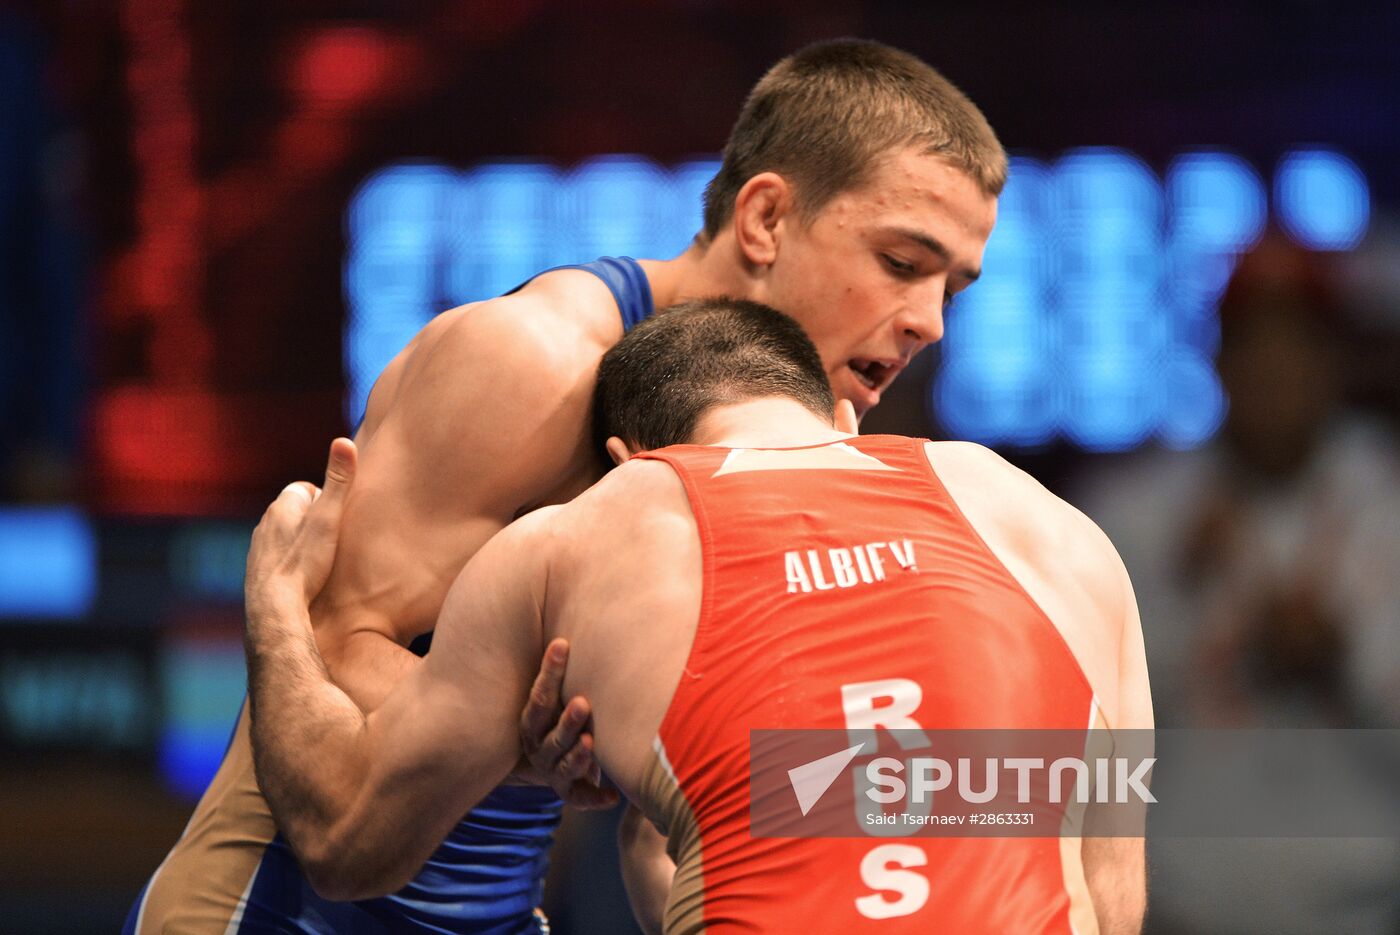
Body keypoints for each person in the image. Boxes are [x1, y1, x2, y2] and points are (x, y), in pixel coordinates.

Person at [126, 38, 1007, 934]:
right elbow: (331, 646)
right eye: (903, 263)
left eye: (954, 287)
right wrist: (533, 739)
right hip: (277, 911)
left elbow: (691, 808)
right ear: (766, 219)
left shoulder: (804, 447)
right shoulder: (533, 363)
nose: (931, 322)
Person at [244, 300, 1152, 934]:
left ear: (626, 457)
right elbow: (1110, 905)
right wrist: (668, 805)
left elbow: (345, 837)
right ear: (840, 418)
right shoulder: (1048, 524)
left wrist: (276, 603)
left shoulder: (589, 531)